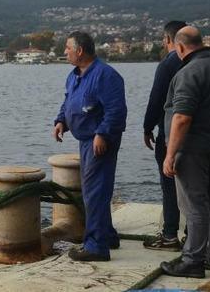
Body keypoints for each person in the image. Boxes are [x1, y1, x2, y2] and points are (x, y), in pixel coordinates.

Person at [160, 26, 210, 278]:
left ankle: (193, 260)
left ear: (180, 47)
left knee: (193, 205)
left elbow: (181, 117)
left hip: (192, 147)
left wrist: (170, 154)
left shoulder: (190, 72)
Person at [53, 31, 127, 262]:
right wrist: (61, 121)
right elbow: (68, 101)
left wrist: (102, 134)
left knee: (95, 192)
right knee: (93, 190)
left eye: (67, 48)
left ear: (80, 51)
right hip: (85, 140)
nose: (64, 52)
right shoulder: (74, 76)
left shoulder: (106, 76)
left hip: (98, 142)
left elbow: (116, 111)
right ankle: (107, 235)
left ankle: (96, 247)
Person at [142, 21, 187, 252]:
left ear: (168, 40)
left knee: (169, 185)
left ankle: (170, 234)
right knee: (194, 188)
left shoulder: (168, 64)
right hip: (197, 135)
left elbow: (157, 99)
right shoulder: (199, 63)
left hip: (169, 134)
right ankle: (194, 236)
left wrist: (147, 127)